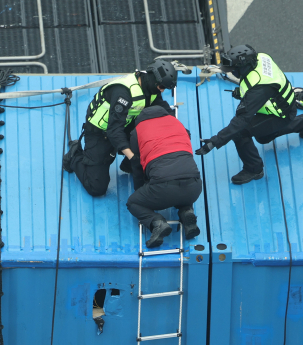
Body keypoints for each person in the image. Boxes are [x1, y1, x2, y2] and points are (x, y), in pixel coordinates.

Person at [63, 61, 176, 197]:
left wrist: (180, 130)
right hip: (100, 133)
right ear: (153, 78)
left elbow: (164, 110)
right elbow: (113, 130)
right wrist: (132, 156)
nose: (162, 90)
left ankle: (127, 165)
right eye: (162, 86)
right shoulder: (123, 93)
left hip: (124, 125)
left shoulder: (151, 89)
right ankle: (75, 155)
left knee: (155, 135)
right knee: (97, 188)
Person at [195, 46, 303, 184]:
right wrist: (243, 93)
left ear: (244, 66)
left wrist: (216, 140)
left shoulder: (259, 87)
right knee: (263, 137)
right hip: (286, 105)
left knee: (240, 132)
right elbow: (263, 88)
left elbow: (242, 120)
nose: (232, 72)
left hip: (280, 113)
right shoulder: (261, 57)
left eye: (234, 69)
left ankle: (254, 170)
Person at [126, 106, 202, 248]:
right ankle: (187, 212)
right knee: (181, 181)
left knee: (133, 203)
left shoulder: (138, 130)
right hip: (195, 186)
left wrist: (141, 191)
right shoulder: (177, 123)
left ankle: (157, 222)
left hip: (164, 187)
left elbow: (136, 165)